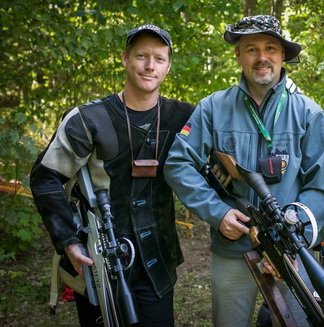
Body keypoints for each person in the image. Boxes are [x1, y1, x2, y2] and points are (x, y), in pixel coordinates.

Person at [164, 15, 324, 326]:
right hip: (233, 251)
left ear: (283, 55)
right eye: (251, 49)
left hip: (292, 254)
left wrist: (295, 236)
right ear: (238, 55)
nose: (262, 57)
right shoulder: (212, 108)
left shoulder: (309, 113)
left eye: (270, 47)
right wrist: (218, 213)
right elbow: (178, 163)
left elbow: (320, 184)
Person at [30, 24, 194, 326]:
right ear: (124, 59)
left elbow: (214, 168)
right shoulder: (87, 119)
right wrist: (69, 242)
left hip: (158, 259)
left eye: (159, 58)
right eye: (141, 56)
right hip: (98, 259)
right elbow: (46, 178)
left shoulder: (184, 117)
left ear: (169, 66)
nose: (149, 65)